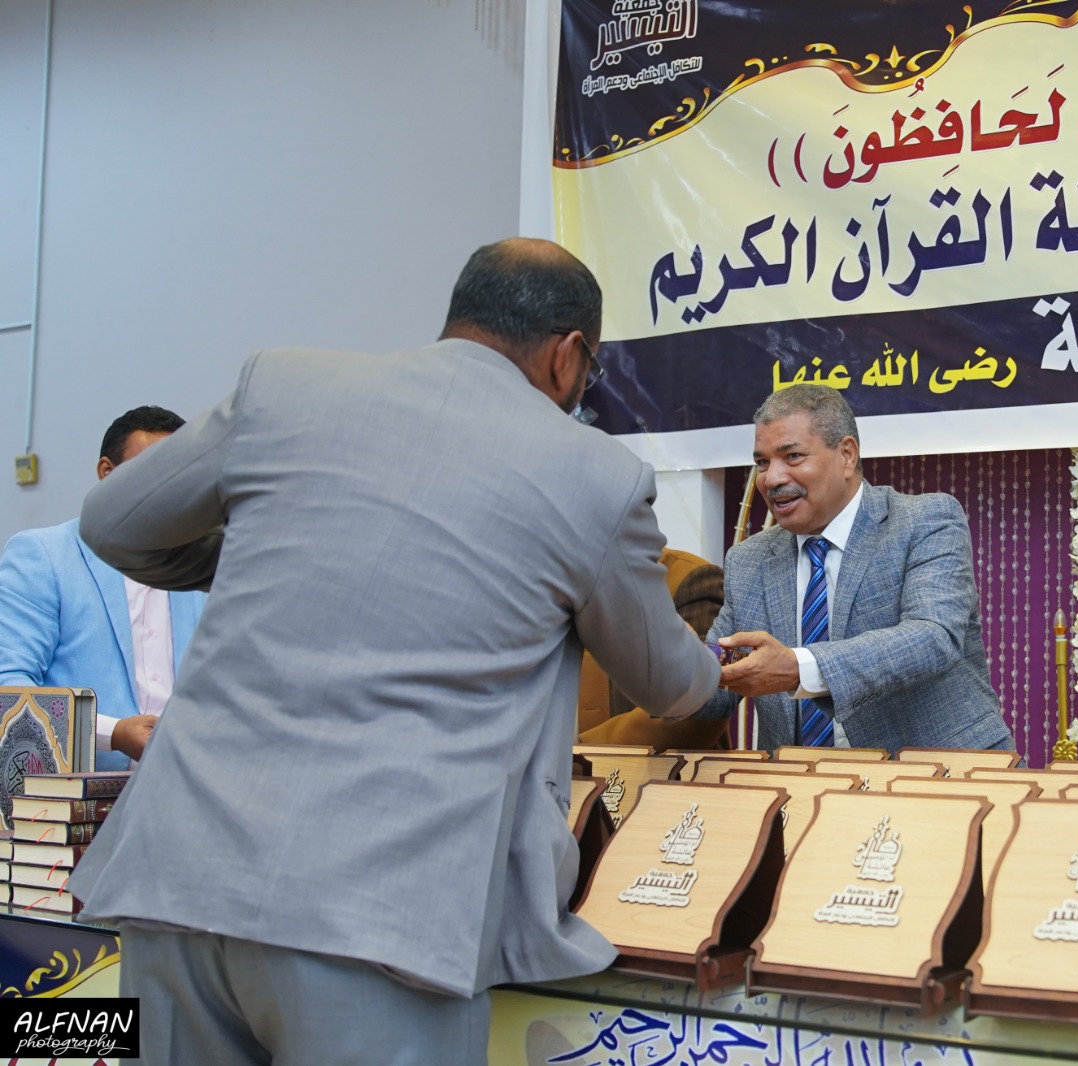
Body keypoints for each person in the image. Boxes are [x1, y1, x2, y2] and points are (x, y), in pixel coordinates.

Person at [68, 238, 720, 1065]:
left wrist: (262, 552)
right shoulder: (596, 472)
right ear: (568, 355)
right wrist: (721, 672)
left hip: (179, 883)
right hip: (382, 918)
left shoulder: (286, 384)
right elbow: (667, 681)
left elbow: (111, 523)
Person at [695, 384, 1014, 753]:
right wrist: (668, 664)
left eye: (792, 456)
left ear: (846, 454)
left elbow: (932, 637)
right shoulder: (748, 560)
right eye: (762, 463)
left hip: (941, 774)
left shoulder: (925, 520)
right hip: (801, 783)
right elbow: (715, 683)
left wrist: (799, 667)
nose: (772, 479)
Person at [0, 406, 206, 769]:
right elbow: (8, 689)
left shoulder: (202, 567)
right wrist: (112, 733)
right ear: (107, 473)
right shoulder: (44, 555)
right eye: (152, 471)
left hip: (182, 787)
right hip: (78, 795)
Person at [576, 546, 731, 749]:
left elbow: (699, 708)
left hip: (657, 768)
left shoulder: (690, 577)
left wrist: (575, 752)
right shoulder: (553, 579)